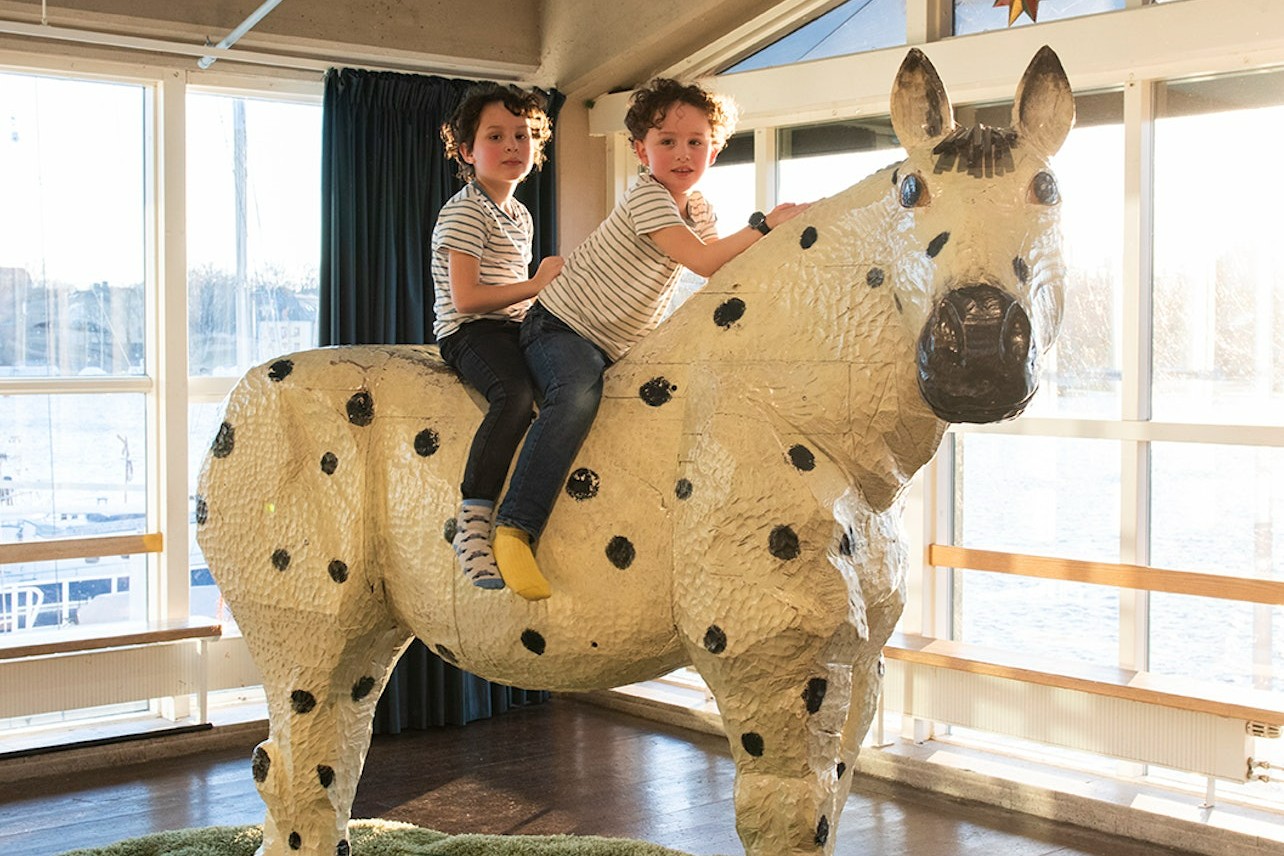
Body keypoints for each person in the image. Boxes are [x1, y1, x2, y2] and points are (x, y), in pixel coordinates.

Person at [492, 78, 809, 600]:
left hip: (617, 346)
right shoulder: (647, 197)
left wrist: (783, 248)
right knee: (573, 399)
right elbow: (706, 260)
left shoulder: (699, 208)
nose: (682, 154)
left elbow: (724, 272)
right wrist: (766, 223)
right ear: (641, 151)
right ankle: (514, 528)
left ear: (715, 147)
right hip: (561, 327)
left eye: (695, 142)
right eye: (667, 142)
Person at [433, 84, 564, 590]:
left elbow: (520, 296)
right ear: (468, 151)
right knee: (513, 396)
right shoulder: (465, 211)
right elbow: (466, 299)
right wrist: (535, 285)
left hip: (512, 324)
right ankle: (473, 522)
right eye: (496, 136)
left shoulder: (519, 213)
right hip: (469, 331)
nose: (513, 146)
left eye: (523, 135)